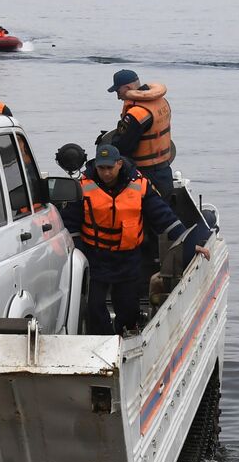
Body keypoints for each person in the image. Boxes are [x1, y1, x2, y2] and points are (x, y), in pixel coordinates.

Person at [68, 143, 211, 335]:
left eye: (110, 168)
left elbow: (163, 216)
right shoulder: (83, 186)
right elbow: (71, 224)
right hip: (96, 257)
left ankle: (125, 335)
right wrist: (79, 253)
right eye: (101, 168)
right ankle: (104, 339)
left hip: (128, 258)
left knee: (128, 309)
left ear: (119, 164)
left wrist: (191, 244)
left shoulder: (139, 184)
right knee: (93, 306)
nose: (106, 173)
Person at [105, 68, 175, 200]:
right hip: (165, 172)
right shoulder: (162, 102)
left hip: (146, 175)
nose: (118, 96)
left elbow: (122, 147)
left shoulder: (137, 114)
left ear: (128, 87)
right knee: (163, 211)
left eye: (118, 91)